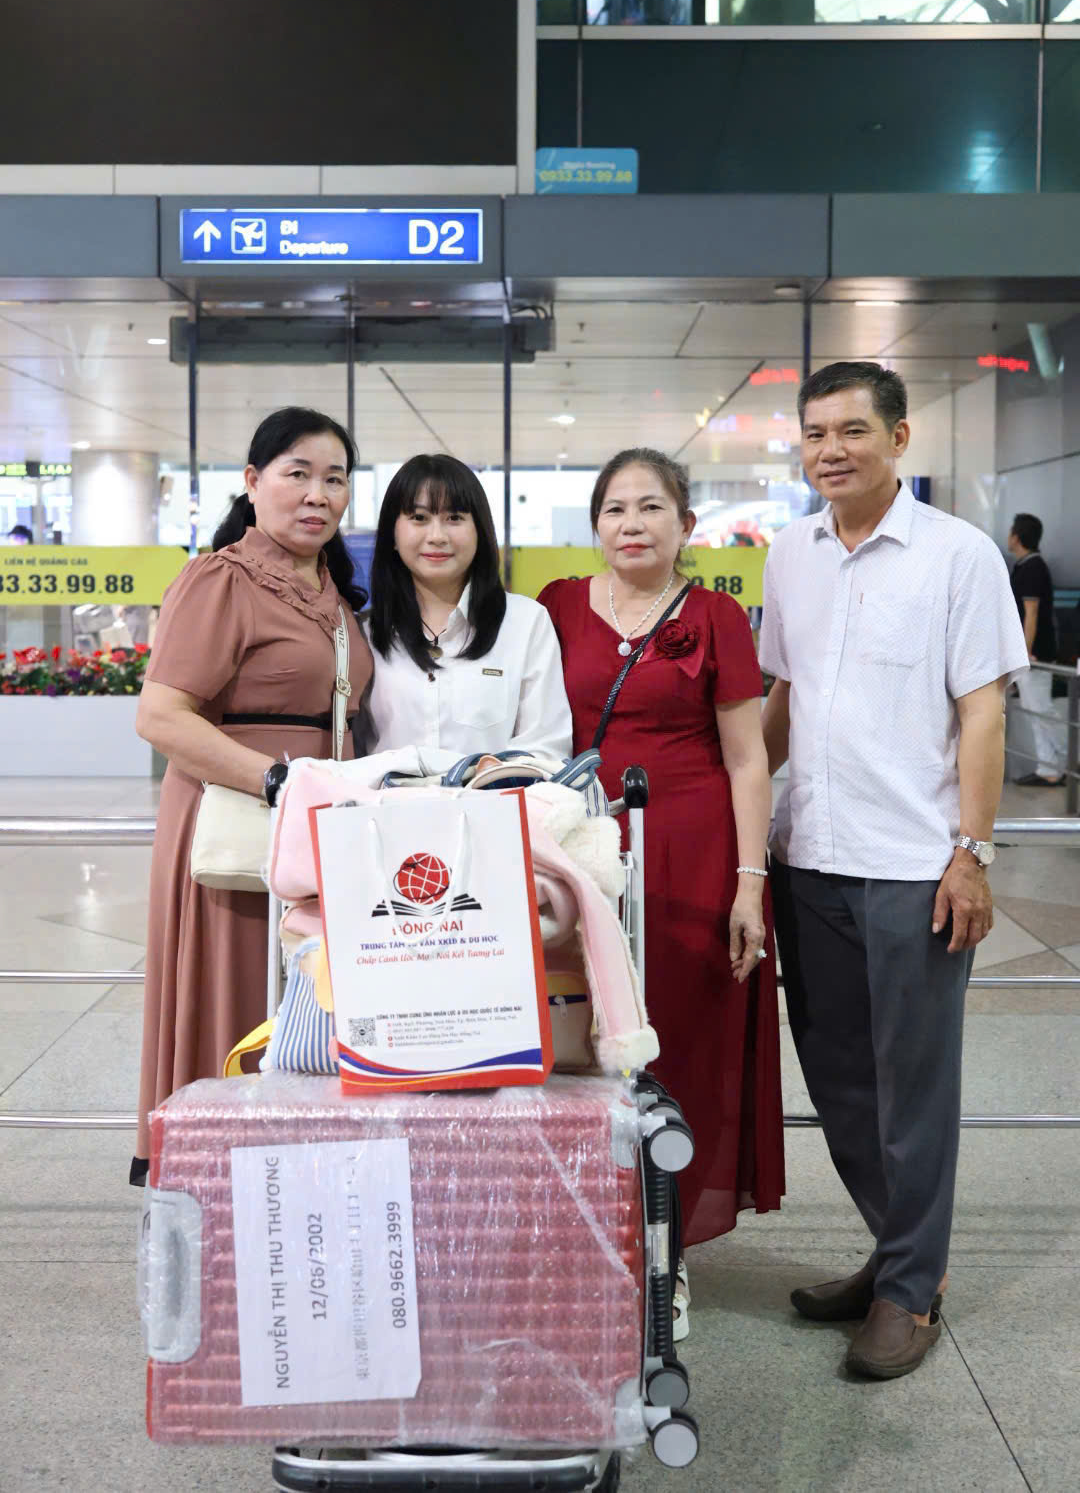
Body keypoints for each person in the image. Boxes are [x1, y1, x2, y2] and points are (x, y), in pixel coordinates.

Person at [761, 361, 1028, 1380]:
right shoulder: (791, 555)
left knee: (911, 1090)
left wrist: (973, 853)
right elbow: (782, 699)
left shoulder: (958, 556)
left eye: (852, 431)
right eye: (815, 433)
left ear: (899, 439)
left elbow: (983, 714)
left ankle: (911, 1291)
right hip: (809, 856)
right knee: (839, 1083)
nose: (830, 450)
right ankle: (897, 1255)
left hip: (915, 866)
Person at [538, 448, 785, 1338]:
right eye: (615, 508)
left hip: (693, 852)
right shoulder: (557, 605)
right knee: (580, 1041)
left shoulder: (715, 616)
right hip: (581, 852)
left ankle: (664, 1250)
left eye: (651, 507)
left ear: (686, 524)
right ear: (595, 525)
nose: (632, 524)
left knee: (678, 1043)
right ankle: (584, 1235)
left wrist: (750, 882)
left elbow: (748, 758)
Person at [130, 407, 373, 1184]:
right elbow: (160, 716)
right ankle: (222, 1184)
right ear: (252, 481)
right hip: (242, 825)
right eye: (297, 474)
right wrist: (276, 780)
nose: (317, 495)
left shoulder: (333, 592)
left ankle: (298, 1186)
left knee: (304, 1008)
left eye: (334, 479)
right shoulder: (222, 579)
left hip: (315, 831)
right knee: (239, 996)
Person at [366, 454, 572, 769]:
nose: (437, 536)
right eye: (419, 518)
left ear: (479, 530)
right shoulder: (365, 632)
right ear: (392, 534)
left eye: (454, 518)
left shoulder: (526, 622)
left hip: (493, 798)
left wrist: (479, 781)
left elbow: (546, 748)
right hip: (384, 801)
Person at [1008, 513, 1065, 788]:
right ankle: (1048, 767)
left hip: (1035, 653)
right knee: (1034, 710)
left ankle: (1066, 759)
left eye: (1011, 531)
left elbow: (1031, 614)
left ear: (1017, 537)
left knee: (1041, 710)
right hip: (1029, 652)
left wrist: (1024, 652)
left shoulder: (1033, 568)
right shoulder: (1024, 566)